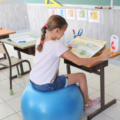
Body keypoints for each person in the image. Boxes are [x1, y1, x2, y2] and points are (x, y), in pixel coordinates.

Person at [30, 15, 112, 113]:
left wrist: (65, 50)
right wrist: (100, 57)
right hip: (46, 85)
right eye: (64, 31)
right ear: (57, 30)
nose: (64, 34)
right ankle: (87, 105)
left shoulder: (40, 40)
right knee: (81, 76)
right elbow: (78, 61)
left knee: (61, 74)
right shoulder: (58, 45)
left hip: (34, 81)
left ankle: (86, 101)